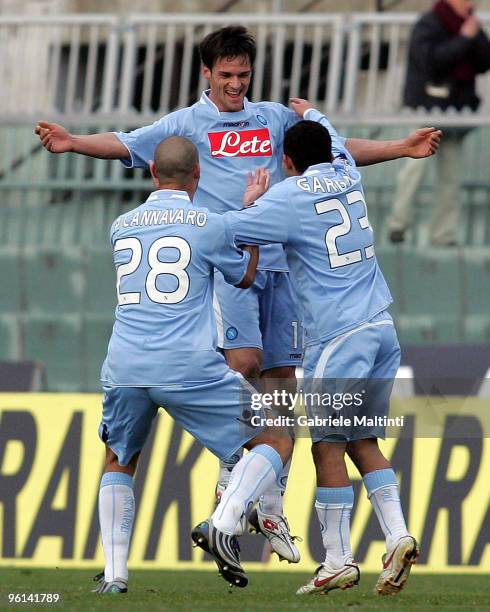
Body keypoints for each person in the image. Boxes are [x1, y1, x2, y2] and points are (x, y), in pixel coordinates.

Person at [35, 25, 440, 562]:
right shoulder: (186, 124)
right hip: (234, 265)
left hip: (284, 267)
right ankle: (233, 479)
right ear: (207, 73)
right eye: (225, 75)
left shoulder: (272, 117)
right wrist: (72, 143)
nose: (234, 84)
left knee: (281, 384)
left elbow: (331, 152)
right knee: (243, 361)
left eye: (242, 75)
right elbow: (127, 143)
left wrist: (399, 148)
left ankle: (268, 505)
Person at [225, 113, 424, 596]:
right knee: (363, 442)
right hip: (381, 328)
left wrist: (251, 201)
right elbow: (333, 139)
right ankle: (397, 535)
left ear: (288, 161)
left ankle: (337, 559)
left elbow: (230, 230)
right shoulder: (346, 174)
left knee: (325, 446)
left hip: (338, 338)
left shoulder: (289, 196)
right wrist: (313, 112)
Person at [93, 135, 292, 593]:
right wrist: (250, 216)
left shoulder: (121, 225)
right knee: (277, 437)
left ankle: (116, 576)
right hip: (186, 365)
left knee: (119, 458)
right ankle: (223, 522)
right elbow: (243, 277)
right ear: (197, 175)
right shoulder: (208, 221)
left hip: (124, 363)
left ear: (151, 173)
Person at [389, 0, 490, 246]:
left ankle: (443, 234)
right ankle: (398, 224)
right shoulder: (430, 23)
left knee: (451, 176)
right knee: (415, 168)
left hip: (456, 114)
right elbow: (431, 62)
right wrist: (464, 39)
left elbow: (484, 61)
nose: (472, 3)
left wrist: (472, 37)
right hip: (427, 109)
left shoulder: (470, 25)